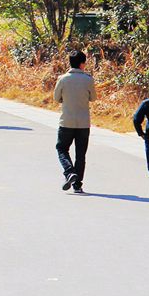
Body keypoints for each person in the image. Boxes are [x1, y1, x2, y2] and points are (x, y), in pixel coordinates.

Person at [53, 49, 96, 192]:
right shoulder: (88, 80)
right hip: (84, 122)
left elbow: (56, 98)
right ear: (82, 64)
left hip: (66, 121)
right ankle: (77, 184)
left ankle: (69, 171)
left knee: (62, 148)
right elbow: (93, 98)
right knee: (81, 154)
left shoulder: (63, 79)